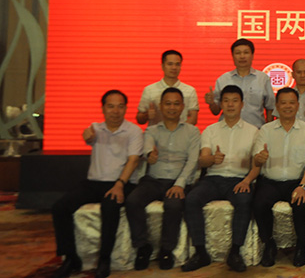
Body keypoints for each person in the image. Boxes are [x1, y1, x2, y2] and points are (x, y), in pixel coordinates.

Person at [51, 90, 142, 278]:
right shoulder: (95, 129)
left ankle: (104, 259)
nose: (115, 111)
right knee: (60, 207)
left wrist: (119, 184)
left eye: (120, 106)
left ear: (126, 108)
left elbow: (133, 160)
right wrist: (88, 137)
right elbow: (89, 137)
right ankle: (70, 258)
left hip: (122, 182)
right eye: (111, 106)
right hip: (94, 182)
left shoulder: (134, 131)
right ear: (103, 108)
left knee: (110, 206)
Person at [182, 85, 260, 273]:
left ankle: (235, 252)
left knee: (244, 201)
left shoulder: (253, 131)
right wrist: (211, 159)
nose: (230, 105)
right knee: (191, 199)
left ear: (242, 104)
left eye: (235, 101)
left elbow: (257, 165)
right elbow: (203, 159)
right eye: (226, 101)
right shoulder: (210, 130)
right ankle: (200, 253)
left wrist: (247, 181)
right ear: (221, 104)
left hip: (239, 179)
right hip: (213, 179)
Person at [126, 87, 200, 270]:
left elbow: (192, 162)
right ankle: (142, 247)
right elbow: (148, 148)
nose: (172, 108)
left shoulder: (192, 132)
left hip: (178, 180)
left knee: (173, 205)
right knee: (133, 201)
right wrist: (150, 155)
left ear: (182, 106)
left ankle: (166, 250)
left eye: (176, 104)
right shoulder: (151, 130)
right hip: (153, 179)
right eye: (168, 104)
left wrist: (179, 184)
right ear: (160, 106)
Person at [251, 87, 305, 268]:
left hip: (297, 182)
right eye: (283, 103)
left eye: (291, 103)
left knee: (302, 204)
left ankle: (301, 246)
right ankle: (269, 244)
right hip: (270, 182)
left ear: (298, 105)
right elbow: (256, 159)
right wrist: (259, 158)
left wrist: (303, 186)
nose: (288, 106)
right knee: (259, 203)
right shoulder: (266, 130)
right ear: (277, 106)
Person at [204, 38, 275, 128]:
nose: (242, 56)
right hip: (227, 130)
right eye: (238, 53)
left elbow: (270, 107)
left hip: (256, 130)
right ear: (232, 56)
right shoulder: (223, 79)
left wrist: (268, 130)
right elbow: (216, 111)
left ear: (252, 55)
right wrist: (211, 103)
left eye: (246, 52)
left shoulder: (263, 79)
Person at [136, 50, 199, 126]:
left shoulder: (190, 91)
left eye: (177, 64)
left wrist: (179, 131)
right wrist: (147, 115)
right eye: (170, 64)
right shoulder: (149, 90)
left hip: (182, 133)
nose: (174, 68)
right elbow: (139, 119)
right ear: (162, 66)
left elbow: (193, 118)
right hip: (156, 132)